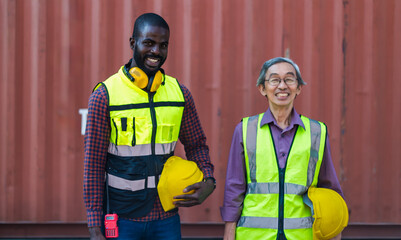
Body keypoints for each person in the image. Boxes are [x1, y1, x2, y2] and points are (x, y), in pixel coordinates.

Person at [83, 13, 216, 240]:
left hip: (166, 218)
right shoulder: (105, 95)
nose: (156, 51)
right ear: (133, 43)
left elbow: (197, 145)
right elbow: (93, 165)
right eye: (149, 43)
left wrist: (208, 181)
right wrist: (95, 226)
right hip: (122, 218)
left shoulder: (180, 94)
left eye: (163, 45)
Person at [220, 57, 345, 240]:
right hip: (254, 236)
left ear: (299, 87)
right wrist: (229, 234)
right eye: (274, 80)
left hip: (302, 235)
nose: (282, 86)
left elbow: (330, 188)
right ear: (263, 88)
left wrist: (335, 233)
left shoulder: (317, 132)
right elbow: (234, 188)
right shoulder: (245, 130)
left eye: (289, 79)